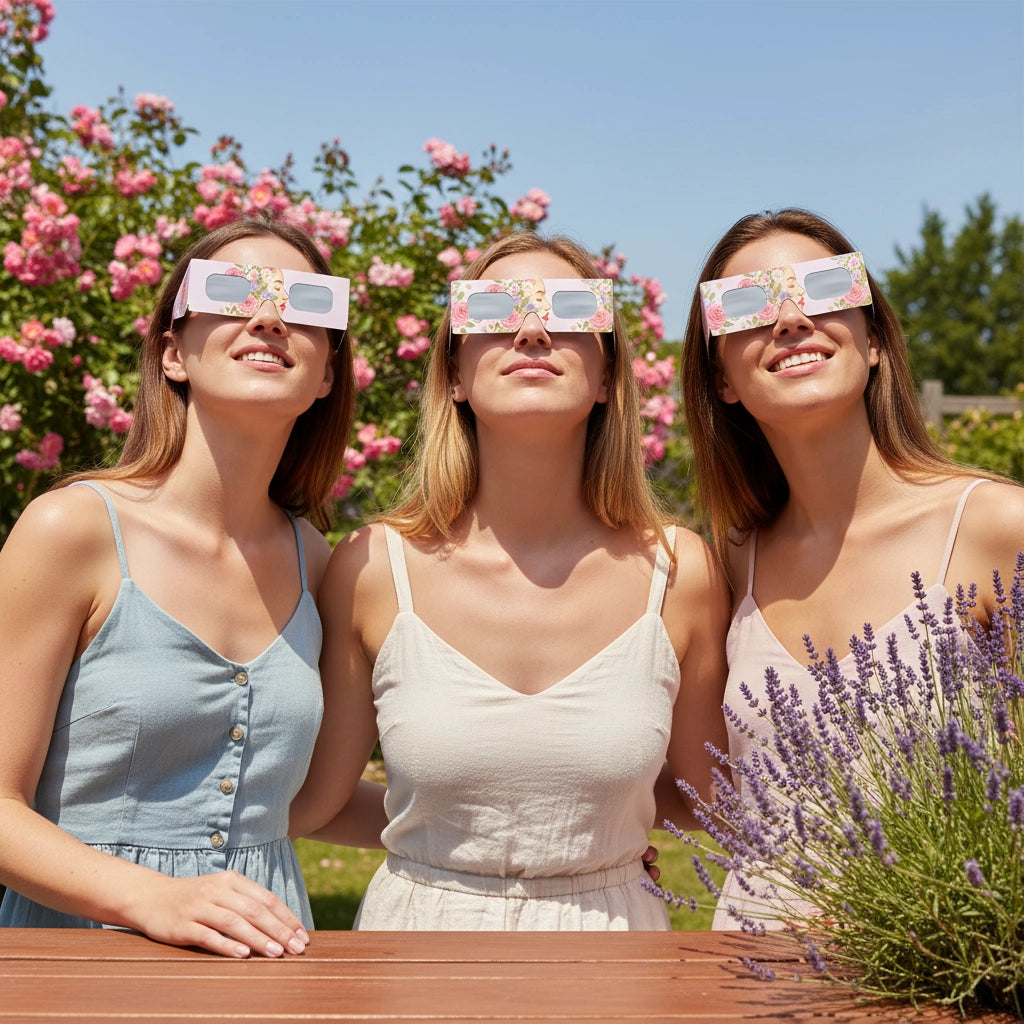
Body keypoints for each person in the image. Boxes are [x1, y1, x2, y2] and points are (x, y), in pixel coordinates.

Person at [290, 231, 730, 930]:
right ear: (455, 375)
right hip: (415, 955)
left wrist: (600, 844)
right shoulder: (372, 568)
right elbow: (313, 800)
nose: (530, 330)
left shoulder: (681, 574)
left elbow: (710, 799)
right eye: (494, 312)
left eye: (567, 313)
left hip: (616, 961)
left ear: (608, 378)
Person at [0, 219, 356, 957]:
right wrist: (150, 897)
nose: (266, 317)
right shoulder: (70, 529)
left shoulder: (321, 561)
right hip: (78, 961)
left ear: (326, 374)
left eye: (305, 304)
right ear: (173, 354)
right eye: (229, 295)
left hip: (270, 962)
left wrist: (569, 835)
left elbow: (307, 805)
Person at [679, 207, 1024, 929]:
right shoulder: (731, 560)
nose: (788, 318)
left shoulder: (998, 529)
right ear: (722, 381)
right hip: (752, 977)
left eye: (822, 290)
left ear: (872, 341)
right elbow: (697, 790)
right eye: (746, 304)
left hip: (940, 983)